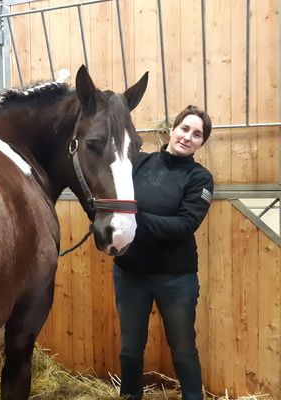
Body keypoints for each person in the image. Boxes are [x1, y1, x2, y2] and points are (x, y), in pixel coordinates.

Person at [113, 105, 213, 400]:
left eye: (197, 134)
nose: (187, 137)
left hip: (176, 279)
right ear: (172, 129)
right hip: (129, 273)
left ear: (201, 143)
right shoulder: (140, 163)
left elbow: (184, 224)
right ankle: (130, 396)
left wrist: (135, 217)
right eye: (185, 129)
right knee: (130, 345)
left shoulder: (200, 178)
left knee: (182, 346)